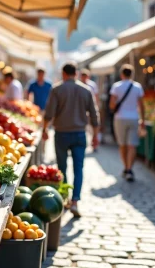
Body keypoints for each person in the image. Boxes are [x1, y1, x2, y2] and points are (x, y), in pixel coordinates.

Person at [42, 62, 99, 217]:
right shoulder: (86, 90)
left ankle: (65, 197)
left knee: (62, 167)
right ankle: (75, 201)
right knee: (78, 168)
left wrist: (45, 129)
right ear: (76, 73)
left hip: (61, 134)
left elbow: (49, 113)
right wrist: (95, 135)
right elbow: (94, 115)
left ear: (64, 73)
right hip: (80, 134)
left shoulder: (57, 89)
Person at [109, 64, 145, 182]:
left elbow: (112, 104)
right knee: (132, 145)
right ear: (132, 74)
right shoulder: (137, 87)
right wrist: (143, 120)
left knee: (122, 144)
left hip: (120, 118)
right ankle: (129, 169)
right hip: (134, 117)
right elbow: (141, 105)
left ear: (122, 74)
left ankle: (126, 167)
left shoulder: (116, 86)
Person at [80, 69, 100, 151]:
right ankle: (84, 143)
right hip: (81, 110)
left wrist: (96, 107)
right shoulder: (79, 85)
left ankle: (94, 143)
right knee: (83, 128)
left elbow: (96, 96)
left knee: (93, 127)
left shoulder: (92, 85)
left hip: (90, 108)